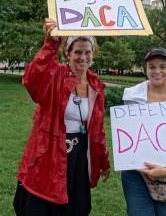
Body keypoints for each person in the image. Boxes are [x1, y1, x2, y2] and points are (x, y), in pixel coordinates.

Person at [13, 18, 110, 216]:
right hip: (49, 152)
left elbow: (97, 129)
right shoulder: (56, 74)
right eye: (77, 52)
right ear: (67, 53)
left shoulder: (95, 86)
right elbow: (33, 81)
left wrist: (103, 160)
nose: (82, 57)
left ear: (93, 54)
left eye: (87, 52)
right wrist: (50, 43)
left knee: (75, 208)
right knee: (43, 207)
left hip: (79, 156)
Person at [121, 47, 166, 216]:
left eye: (163, 66)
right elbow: (128, 139)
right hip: (136, 175)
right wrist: (143, 169)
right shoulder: (132, 96)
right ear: (146, 69)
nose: (157, 71)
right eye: (152, 67)